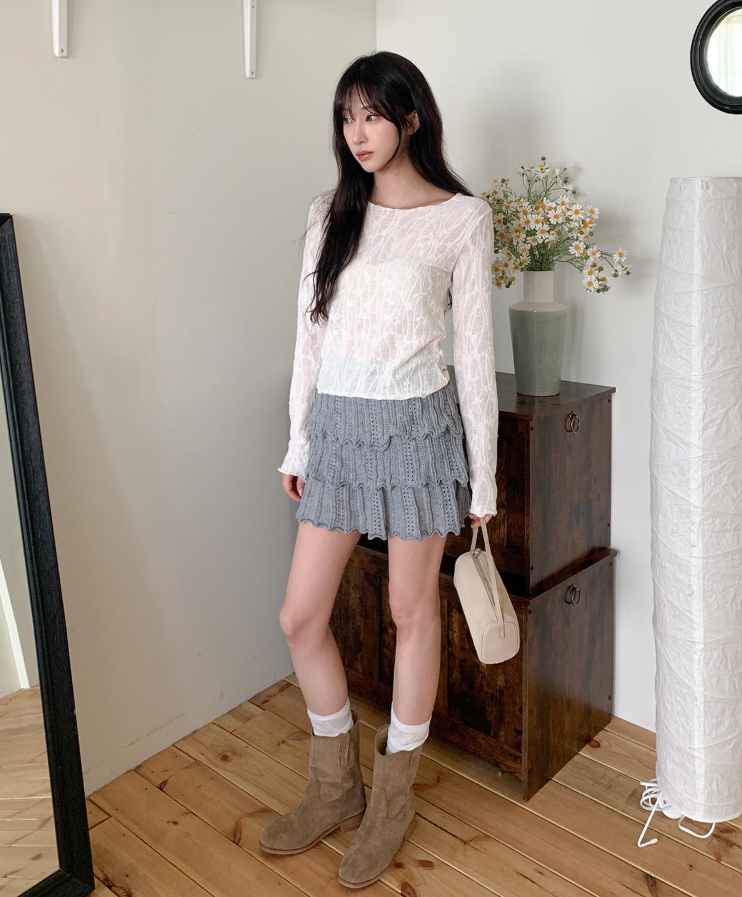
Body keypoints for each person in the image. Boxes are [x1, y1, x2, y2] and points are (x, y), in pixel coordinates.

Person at [261, 50, 498, 889]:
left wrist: (484, 479)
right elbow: (310, 338)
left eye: (371, 115)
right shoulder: (330, 213)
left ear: (411, 118)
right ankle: (336, 786)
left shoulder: (463, 219)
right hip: (339, 430)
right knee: (300, 615)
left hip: (419, 432)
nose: (357, 133)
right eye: (346, 117)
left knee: (411, 610)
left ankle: (392, 800)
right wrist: (299, 444)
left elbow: (476, 356)